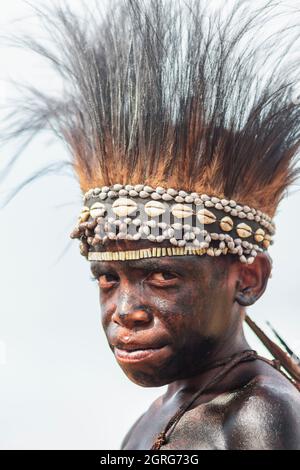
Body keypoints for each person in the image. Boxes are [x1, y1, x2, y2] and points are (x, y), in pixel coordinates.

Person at [5, 0, 300, 450]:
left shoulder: (256, 416)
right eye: (107, 279)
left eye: (163, 276)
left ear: (248, 278)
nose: (126, 311)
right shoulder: (162, 414)